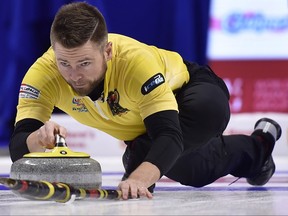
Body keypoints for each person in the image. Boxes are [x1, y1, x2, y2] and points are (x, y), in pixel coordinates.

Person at [9, 1, 282, 200]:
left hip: (189, 92)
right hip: (144, 130)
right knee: (194, 171)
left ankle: (141, 152)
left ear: (107, 51)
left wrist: (140, 175)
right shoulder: (41, 76)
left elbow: (169, 134)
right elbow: (19, 146)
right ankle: (259, 146)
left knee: (205, 111)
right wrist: (36, 139)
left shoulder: (135, 62)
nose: (74, 76)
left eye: (84, 63)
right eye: (64, 64)